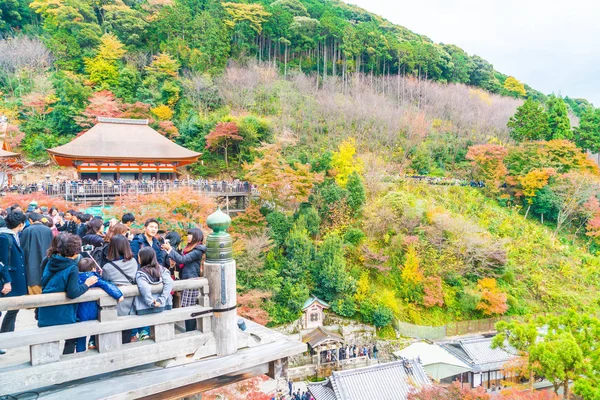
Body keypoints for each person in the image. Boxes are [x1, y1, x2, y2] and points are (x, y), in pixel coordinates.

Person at [37, 233, 98, 354]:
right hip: (64, 310)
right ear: (75, 252)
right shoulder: (72, 267)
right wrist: (87, 284)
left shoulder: (49, 260)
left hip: (46, 308)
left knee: (49, 341)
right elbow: (73, 292)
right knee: (70, 340)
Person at [162, 228, 205, 331]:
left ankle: (190, 331)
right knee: (186, 307)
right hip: (186, 280)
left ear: (197, 237)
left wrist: (170, 249)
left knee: (189, 308)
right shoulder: (188, 249)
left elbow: (183, 260)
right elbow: (182, 262)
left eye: (191, 235)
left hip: (192, 281)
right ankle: (189, 330)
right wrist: (174, 263)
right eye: (188, 235)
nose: (188, 237)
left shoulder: (198, 250)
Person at [75, 258, 123, 352]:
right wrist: (119, 295)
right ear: (93, 268)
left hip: (79, 311)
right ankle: (92, 343)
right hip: (93, 311)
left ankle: (80, 352)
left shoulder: (76, 278)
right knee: (95, 330)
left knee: (81, 335)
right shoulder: (94, 278)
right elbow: (107, 285)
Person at [0, 211, 28, 354]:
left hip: (14, 278)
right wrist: (7, 281)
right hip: (9, 279)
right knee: (10, 308)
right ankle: (4, 338)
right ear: (21, 224)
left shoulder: (11, 235)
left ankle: (7, 336)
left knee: (13, 308)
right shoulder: (5, 237)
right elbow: (1, 262)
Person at [102, 234, 138, 343]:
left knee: (112, 338)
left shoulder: (107, 268)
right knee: (126, 336)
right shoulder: (134, 262)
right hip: (132, 303)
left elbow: (105, 283)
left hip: (115, 305)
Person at [20, 212, 53, 295]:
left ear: (30, 220)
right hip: (47, 259)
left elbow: (23, 248)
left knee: (33, 280)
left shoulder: (27, 230)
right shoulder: (48, 230)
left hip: (31, 261)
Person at [133, 247, 173, 315]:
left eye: (139, 257)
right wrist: (161, 300)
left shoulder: (140, 273)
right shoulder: (163, 270)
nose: (138, 258)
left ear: (143, 258)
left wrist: (151, 302)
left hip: (144, 308)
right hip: (163, 305)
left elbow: (144, 287)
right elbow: (169, 283)